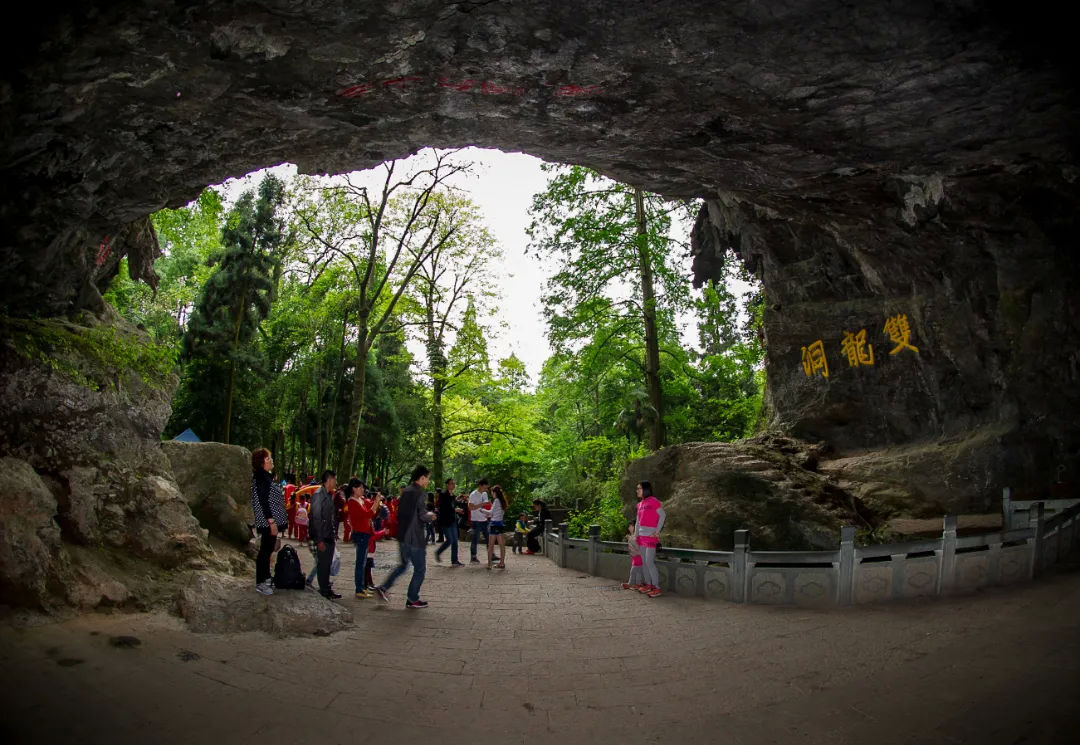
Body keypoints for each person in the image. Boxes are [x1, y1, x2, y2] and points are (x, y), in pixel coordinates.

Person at [373, 464, 435, 609]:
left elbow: (401, 514)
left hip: (403, 536)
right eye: (427, 478)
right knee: (420, 569)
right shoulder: (420, 493)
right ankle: (412, 598)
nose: (428, 481)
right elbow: (421, 515)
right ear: (422, 478)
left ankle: (383, 587)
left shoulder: (406, 491)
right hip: (414, 537)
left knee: (403, 565)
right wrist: (431, 516)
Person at [250, 448, 287, 596]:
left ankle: (265, 578)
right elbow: (263, 501)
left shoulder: (265, 477)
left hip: (270, 521)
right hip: (267, 522)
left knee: (268, 549)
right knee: (265, 551)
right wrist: (271, 522)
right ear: (264, 460)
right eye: (270, 458)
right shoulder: (260, 478)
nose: (272, 461)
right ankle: (261, 582)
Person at [309, 470, 341, 600]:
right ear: (329, 480)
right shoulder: (318, 495)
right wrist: (319, 540)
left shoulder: (328, 495)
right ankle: (324, 591)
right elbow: (316, 518)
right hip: (322, 536)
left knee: (327, 565)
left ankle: (327, 588)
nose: (336, 482)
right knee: (323, 565)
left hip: (329, 535)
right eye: (335, 479)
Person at [347, 479, 381, 599]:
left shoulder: (360, 500)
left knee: (363, 562)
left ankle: (362, 587)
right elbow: (367, 514)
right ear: (354, 489)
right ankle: (359, 588)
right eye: (360, 488)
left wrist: (375, 502)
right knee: (360, 563)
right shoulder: (352, 502)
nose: (363, 490)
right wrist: (376, 503)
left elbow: (370, 508)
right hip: (360, 534)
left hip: (365, 533)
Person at [634, 481, 666, 598]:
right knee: (643, 562)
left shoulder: (654, 501)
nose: (637, 490)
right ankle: (648, 585)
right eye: (637, 489)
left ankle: (656, 587)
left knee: (649, 562)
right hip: (641, 537)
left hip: (650, 537)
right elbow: (637, 522)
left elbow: (663, 515)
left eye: (639, 488)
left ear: (646, 489)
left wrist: (657, 531)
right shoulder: (640, 504)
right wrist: (635, 535)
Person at [434, 478, 465, 566]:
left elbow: (453, 506)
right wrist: (456, 509)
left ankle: (454, 561)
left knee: (455, 541)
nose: (453, 485)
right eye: (451, 483)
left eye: (454, 483)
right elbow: (444, 508)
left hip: (452, 520)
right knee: (450, 540)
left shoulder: (453, 496)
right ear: (447, 485)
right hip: (445, 521)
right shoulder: (443, 495)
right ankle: (438, 552)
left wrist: (458, 509)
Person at [485, 485, 508, 569]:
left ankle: (489, 564)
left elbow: (491, 513)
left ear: (494, 492)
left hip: (494, 525)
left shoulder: (496, 501)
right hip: (500, 524)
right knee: (502, 545)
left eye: (492, 492)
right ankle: (502, 563)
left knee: (491, 545)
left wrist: (481, 510)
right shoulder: (502, 502)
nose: (491, 494)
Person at [468, 479, 490, 563]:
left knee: (489, 538)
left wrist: (488, 513)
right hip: (476, 520)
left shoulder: (485, 493)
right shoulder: (473, 494)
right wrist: (481, 505)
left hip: (484, 519)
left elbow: (486, 505)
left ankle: (491, 555)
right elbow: (470, 508)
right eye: (485, 486)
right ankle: (473, 557)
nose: (486, 488)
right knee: (475, 539)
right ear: (481, 485)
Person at [623, 524, 644, 590]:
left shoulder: (637, 536)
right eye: (629, 526)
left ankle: (630, 584)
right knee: (638, 571)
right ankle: (638, 584)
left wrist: (630, 539)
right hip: (634, 556)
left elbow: (638, 547)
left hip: (638, 556)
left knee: (633, 571)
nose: (629, 527)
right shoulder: (632, 536)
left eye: (631, 526)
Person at [284, 474, 298, 539]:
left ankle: (291, 535)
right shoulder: (294, 504)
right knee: (293, 526)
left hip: (291, 516)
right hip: (293, 516)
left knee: (292, 525)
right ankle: (294, 535)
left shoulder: (291, 503)